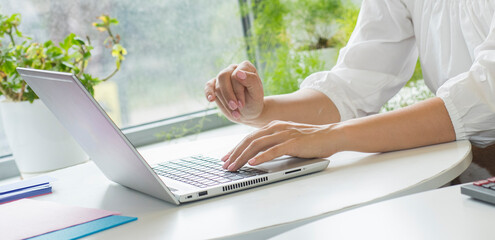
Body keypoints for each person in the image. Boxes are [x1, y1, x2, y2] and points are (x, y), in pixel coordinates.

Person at [204, 0, 495, 172]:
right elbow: (353, 83)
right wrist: (261, 111)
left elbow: (483, 99)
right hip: (470, 171)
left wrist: (334, 137)